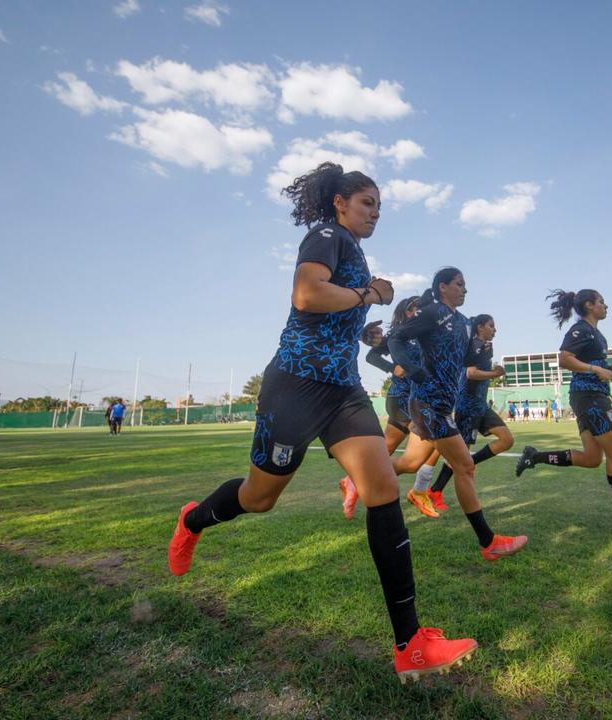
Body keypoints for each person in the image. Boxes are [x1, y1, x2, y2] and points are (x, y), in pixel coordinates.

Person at [167, 162, 476, 682]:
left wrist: (367, 323)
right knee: (258, 498)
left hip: (343, 391)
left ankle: (411, 645)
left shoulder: (353, 250)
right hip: (294, 386)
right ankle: (192, 520)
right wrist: (369, 296)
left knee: (382, 489)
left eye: (379, 206)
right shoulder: (326, 234)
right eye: (367, 203)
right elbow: (307, 295)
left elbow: (333, 315)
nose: (375, 213)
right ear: (340, 203)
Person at [387, 268, 527, 560]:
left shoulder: (464, 322)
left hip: (441, 406)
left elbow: (464, 362)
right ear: (442, 287)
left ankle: (357, 480)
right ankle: (489, 543)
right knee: (465, 467)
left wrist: (486, 356)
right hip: (426, 401)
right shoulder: (432, 312)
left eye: (465, 285)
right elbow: (396, 339)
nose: (465, 290)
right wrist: (413, 370)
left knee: (412, 463)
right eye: (459, 284)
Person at [515, 289, 612, 537]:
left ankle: (535, 456)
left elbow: (586, 363)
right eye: (602, 302)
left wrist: (607, 367)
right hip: (589, 398)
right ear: (589, 305)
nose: (606, 306)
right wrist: (595, 368)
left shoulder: (597, 334)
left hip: (591, 396)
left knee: (593, 459)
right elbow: (564, 359)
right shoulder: (581, 329)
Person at [339, 296, 441, 520]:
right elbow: (372, 354)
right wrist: (392, 367)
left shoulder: (422, 331)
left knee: (392, 448)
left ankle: (354, 480)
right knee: (431, 441)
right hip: (402, 397)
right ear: (407, 311)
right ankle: (420, 490)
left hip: (420, 397)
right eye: (418, 308)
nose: (423, 311)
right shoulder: (400, 333)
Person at [427, 314, 513, 511]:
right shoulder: (475, 344)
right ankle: (435, 491)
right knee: (459, 454)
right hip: (468, 405)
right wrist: (495, 374)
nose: (495, 329)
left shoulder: (485, 347)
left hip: (480, 405)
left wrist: (492, 371)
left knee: (506, 440)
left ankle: (466, 464)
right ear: (480, 327)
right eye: (491, 325)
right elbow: (470, 373)